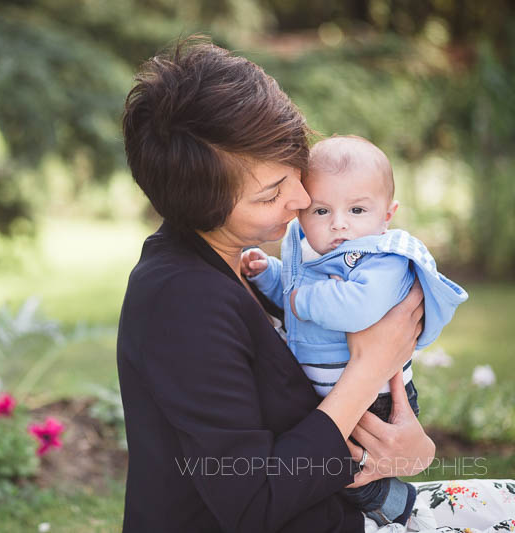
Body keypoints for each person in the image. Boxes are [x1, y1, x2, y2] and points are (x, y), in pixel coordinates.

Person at [117, 37, 515, 533]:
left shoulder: (246, 261)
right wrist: (372, 366)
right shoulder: (180, 304)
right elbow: (254, 502)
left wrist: (410, 446)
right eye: (271, 194)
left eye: (294, 172)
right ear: (202, 208)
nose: (302, 198)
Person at [241, 135, 468, 526]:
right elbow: (293, 294)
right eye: (322, 210)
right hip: (332, 388)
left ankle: (394, 505)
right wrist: (269, 276)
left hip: (376, 399)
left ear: (387, 215)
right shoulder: (313, 252)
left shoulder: (382, 259)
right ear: (301, 214)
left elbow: (353, 307)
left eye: (357, 209)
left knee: (351, 470)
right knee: (322, 465)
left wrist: (301, 300)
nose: (339, 223)